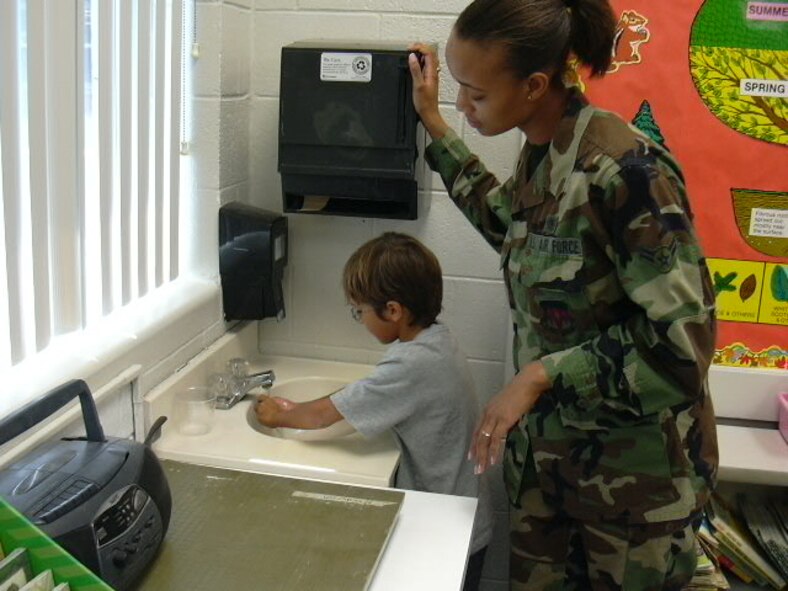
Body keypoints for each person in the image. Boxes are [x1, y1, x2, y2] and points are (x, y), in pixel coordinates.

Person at [408, 0, 719, 589]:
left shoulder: (626, 172)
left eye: (475, 94)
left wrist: (540, 375)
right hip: (553, 473)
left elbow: (682, 348)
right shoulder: (545, 150)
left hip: (633, 495)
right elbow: (510, 228)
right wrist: (437, 127)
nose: (462, 104)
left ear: (533, 85)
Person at [255, 231, 493, 591]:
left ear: (393, 310)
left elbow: (324, 415)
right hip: (458, 514)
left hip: (446, 528)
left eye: (360, 311)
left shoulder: (413, 363)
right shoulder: (435, 339)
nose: (360, 319)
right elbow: (366, 395)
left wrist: (279, 415)